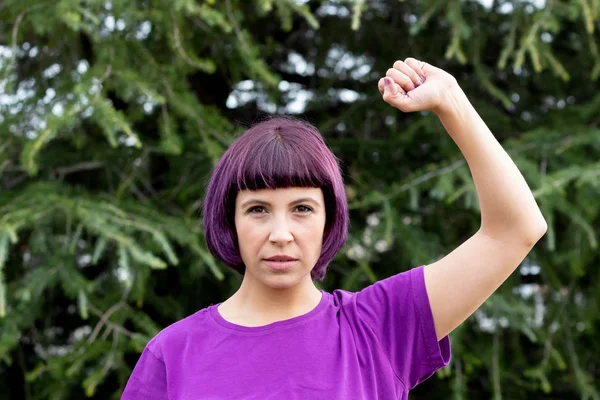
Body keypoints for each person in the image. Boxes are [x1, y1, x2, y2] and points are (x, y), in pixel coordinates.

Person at [121, 58, 547, 399]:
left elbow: (515, 229)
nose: (281, 233)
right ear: (229, 219)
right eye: (257, 210)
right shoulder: (173, 354)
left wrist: (450, 100)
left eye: (302, 208)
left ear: (329, 219)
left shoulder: (380, 327)